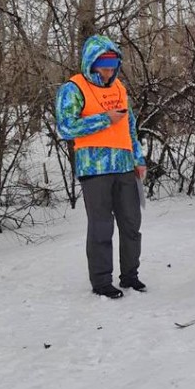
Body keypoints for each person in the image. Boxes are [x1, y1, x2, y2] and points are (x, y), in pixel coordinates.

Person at [55, 35, 147, 299]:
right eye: (103, 65)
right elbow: (65, 127)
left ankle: (130, 276)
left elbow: (130, 127)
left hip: (124, 166)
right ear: (91, 63)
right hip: (94, 168)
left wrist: (138, 159)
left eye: (112, 64)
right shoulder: (73, 88)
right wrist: (103, 119)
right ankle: (101, 281)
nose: (108, 71)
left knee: (131, 223)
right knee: (101, 226)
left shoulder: (119, 87)